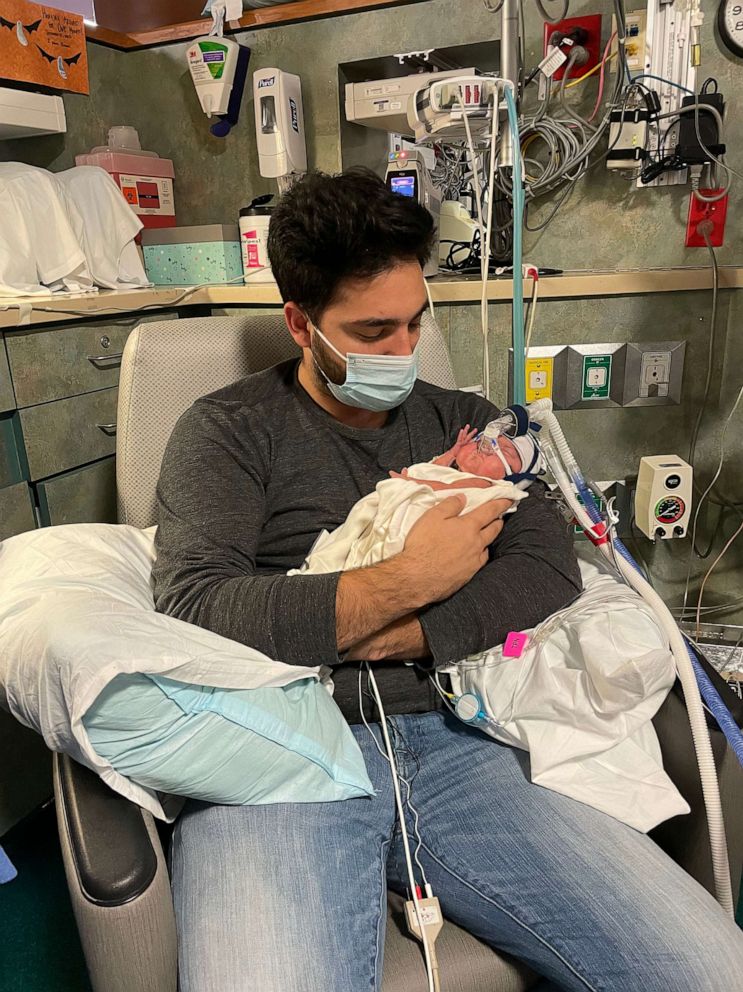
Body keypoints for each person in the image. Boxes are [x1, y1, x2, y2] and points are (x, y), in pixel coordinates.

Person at [153, 168, 743, 991]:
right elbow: (199, 607)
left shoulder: (463, 424)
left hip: (462, 738)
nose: (403, 351)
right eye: (371, 331)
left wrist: (406, 631)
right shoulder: (226, 434)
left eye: (414, 323)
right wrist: (406, 577)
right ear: (300, 323)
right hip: (280, 751)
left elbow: (543, 569)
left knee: (708, 972)